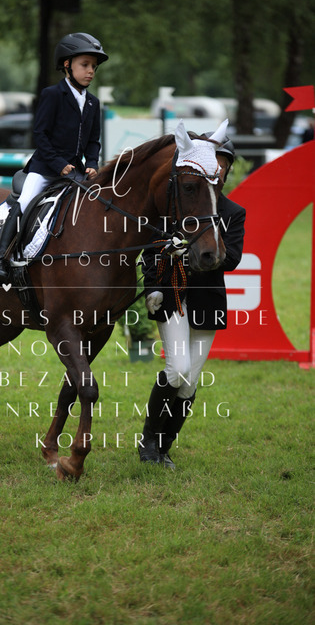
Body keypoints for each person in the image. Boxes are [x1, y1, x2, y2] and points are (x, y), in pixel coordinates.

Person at [138, 133, 246, 469]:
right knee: (178, 369)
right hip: (171, 297)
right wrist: (153, 287)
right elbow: (150, 251)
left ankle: (164, 447)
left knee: (189, 383)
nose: (218, 169)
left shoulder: (233, 212)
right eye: (215, 164)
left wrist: (187, 253)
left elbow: (231, 258)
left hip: (207, 300)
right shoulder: (176, 203)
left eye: (223, 166)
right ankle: (148, 442)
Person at [0, 32, 109, 283]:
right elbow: (40, 135)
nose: (90, 71)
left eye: (94, 67)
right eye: (85, 65)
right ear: (67, 65)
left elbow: (93, 141)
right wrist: (58, 164)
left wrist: (92, 164)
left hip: (76, 171)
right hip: (44, 169)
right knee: (25, 202)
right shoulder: (52, 95)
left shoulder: (93, 103)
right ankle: (0, 258)